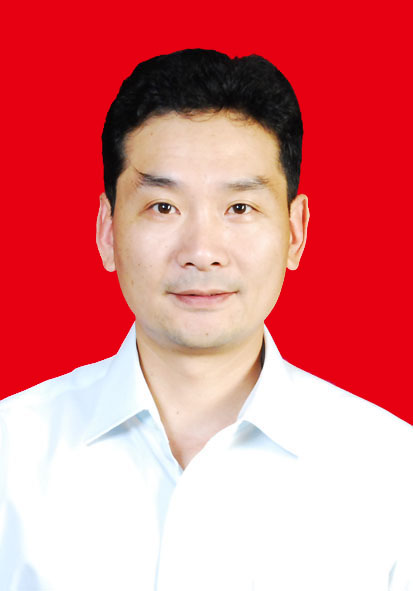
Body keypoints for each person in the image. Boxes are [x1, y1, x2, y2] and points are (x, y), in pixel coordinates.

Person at [0, 49, 411, 591]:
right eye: (163, 207)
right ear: (107, 230)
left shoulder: (391, 471)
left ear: (295, 232)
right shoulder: (12, 452)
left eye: (240, 208)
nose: (201, 252)